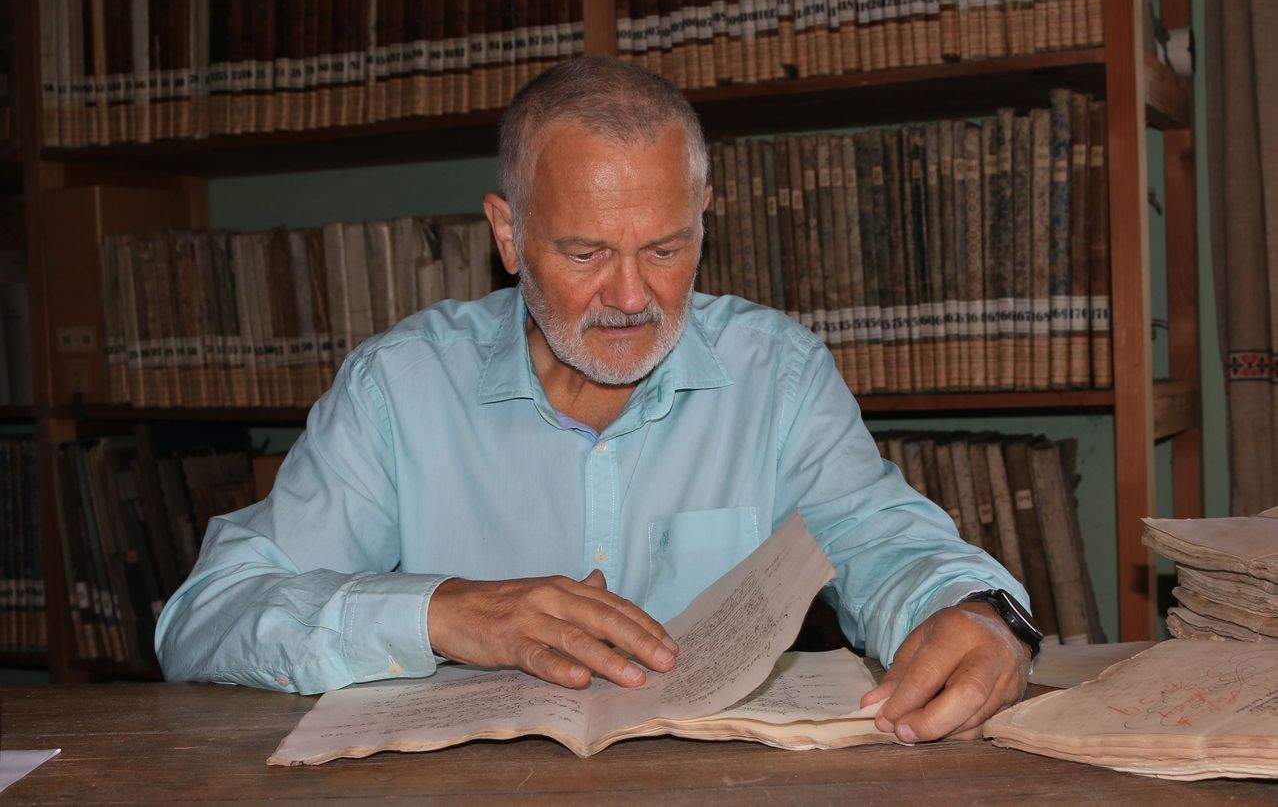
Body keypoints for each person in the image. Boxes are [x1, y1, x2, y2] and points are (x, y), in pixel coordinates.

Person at [156, 56, 1035, 744]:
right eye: (583, 254)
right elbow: (204, 618)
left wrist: (975, 612)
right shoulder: (402, 388)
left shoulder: (778, 373)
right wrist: (445, 610)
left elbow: (887, 541)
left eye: (665, 248)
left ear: (703, 219)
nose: (629, 297)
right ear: (508, 233)